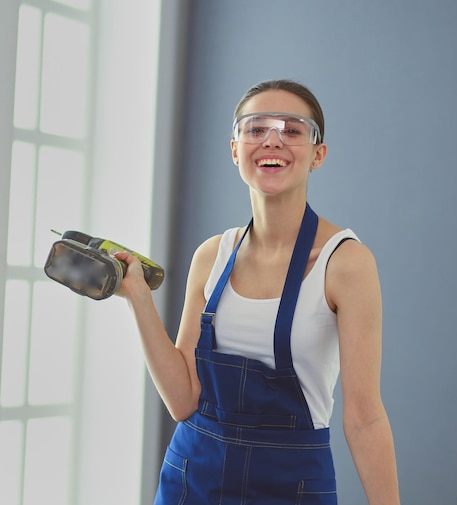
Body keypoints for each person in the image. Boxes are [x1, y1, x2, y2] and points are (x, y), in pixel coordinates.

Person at [115, 79, 401, 505]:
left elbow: (363, 418)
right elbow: (181, 401)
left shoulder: (345, 264)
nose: (273, 140)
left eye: (292, 129)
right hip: (193, 475)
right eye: (255, 128)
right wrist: (138, 297)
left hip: (292, 484)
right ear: (235, 149)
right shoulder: (212, 255)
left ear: (317, 154)